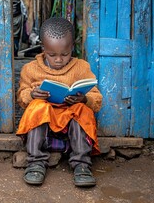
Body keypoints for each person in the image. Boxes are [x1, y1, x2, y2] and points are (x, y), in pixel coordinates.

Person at [16, 17, 102, 187]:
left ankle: (81, 164)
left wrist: (84, 99)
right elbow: (21, 96)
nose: (58, 59)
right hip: (44, 126)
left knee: (82, 110)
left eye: (65, 54)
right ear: (43, 48)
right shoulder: (30, 69)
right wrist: (32, 94)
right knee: (37, 107)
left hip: (70, 125)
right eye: (52, 54)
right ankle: (36, 162)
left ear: (72, 48)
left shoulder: (82, 67)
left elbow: (96, 98)